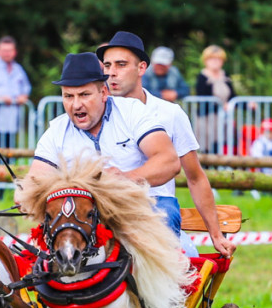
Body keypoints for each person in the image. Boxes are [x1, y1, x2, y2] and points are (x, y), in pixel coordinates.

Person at [31, 51, 235, 258]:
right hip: (84, 212)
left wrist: (124, 179)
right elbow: (34, 181)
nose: (76, 105)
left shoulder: (132, 112)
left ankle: (160, 285)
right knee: (47, 253)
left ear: (103, 93)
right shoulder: (57, 130)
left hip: (146, 203)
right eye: (68, 96)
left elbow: (169, 162)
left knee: (163, 215)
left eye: (84, 95)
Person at [97, 31, 229, 257]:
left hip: (158, 216)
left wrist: (216, 235)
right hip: (105, 212)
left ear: (141, 68)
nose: (112, 73)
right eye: (107, 65)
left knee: (187, 270)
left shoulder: (169, 113)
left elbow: (195, 177)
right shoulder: (94, 112)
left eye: (121, 64)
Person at [193, 45, 235, 154]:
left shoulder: (225, 76)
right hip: (207, 120)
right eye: (212, 58)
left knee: (222, 147)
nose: (215, 61)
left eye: (218, 59)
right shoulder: (202, 77)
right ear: (205, 60)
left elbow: (232, 96)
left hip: (223, 119)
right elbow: (202, 99)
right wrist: (221, 106)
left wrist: (247, 105)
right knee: (207, 150)